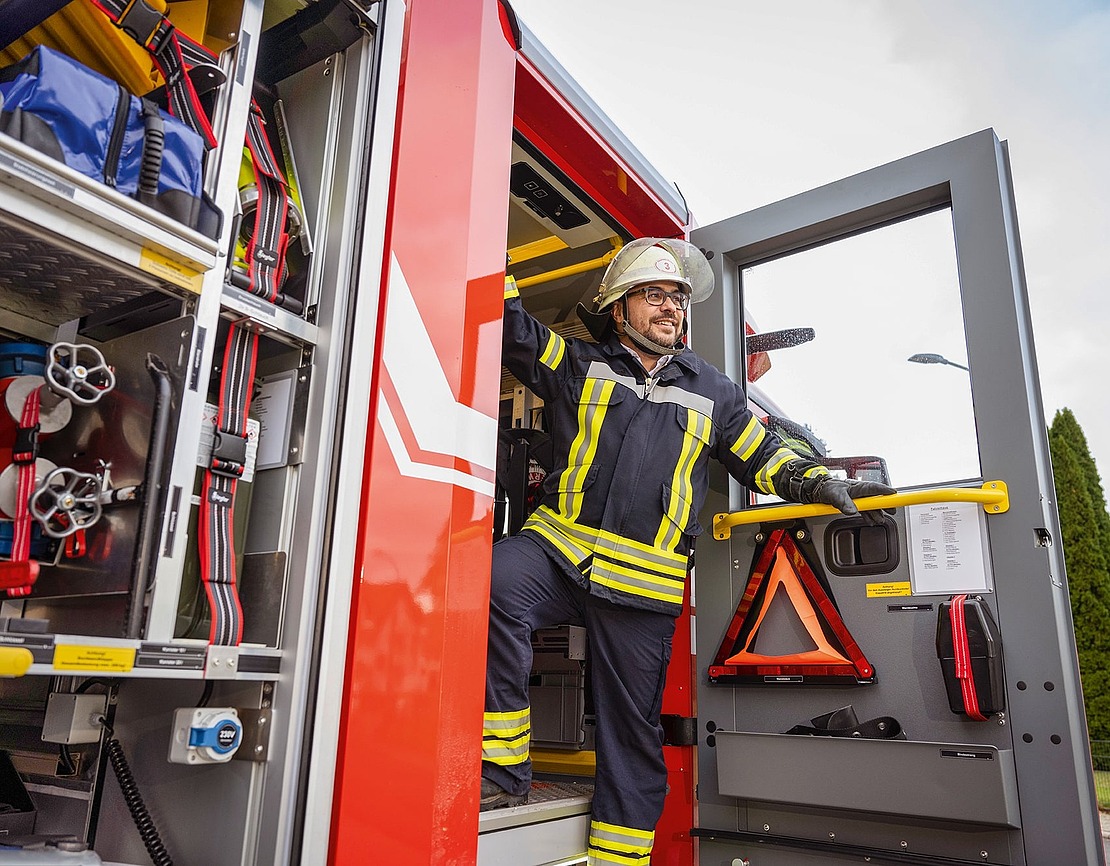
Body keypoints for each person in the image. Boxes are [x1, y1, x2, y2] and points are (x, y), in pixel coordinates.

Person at [481, 238, 894, 863]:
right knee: (491, 582)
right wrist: (488, 239)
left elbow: (763, 456)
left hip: (641, 586)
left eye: (677, 298)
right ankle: (503, 771)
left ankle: (618, 858)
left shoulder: (717, 392)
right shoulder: (579, 364)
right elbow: (513, 333)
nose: (671, 307)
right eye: (655, 295)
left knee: (630, 735)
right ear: (620, 310)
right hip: (560, 554)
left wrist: (815, 479)